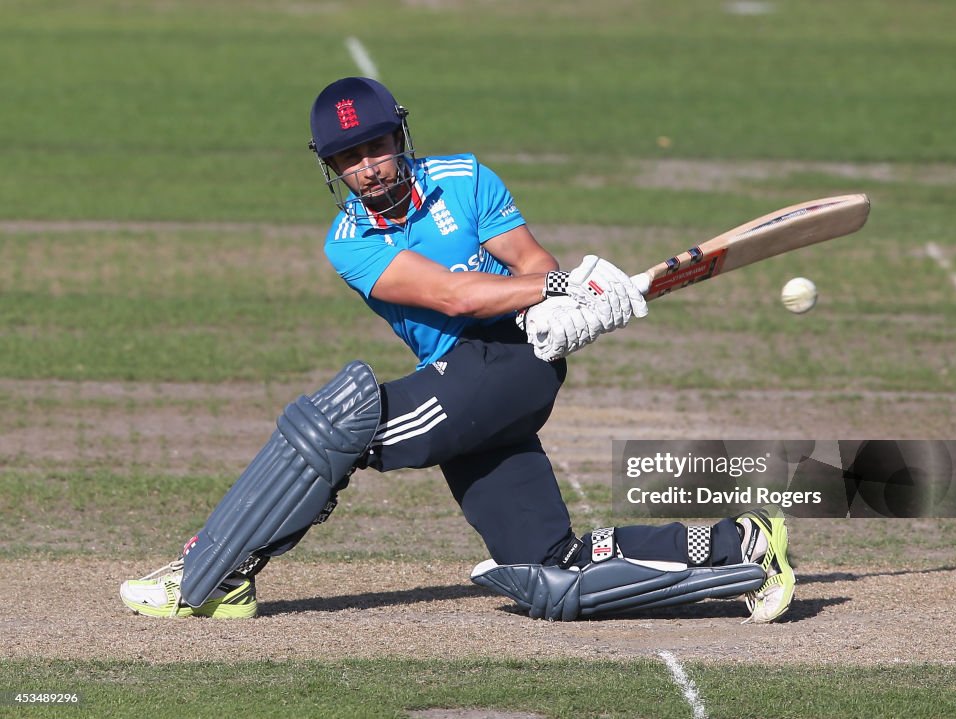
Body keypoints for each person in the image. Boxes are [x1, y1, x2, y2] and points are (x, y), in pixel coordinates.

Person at [119, 77, 796, 622]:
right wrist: (563, 283)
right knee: (549, 568)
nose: (369, 167)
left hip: (509, 363)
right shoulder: (348, 242)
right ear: (331, 167)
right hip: (463, 381)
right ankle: (741, 545)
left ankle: (211, 572)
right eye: (350, 158)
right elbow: (451, 296)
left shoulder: (466, 178)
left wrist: (565, 306)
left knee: (335, 424)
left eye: (377, 146)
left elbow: (529, 257)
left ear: (400, 136)